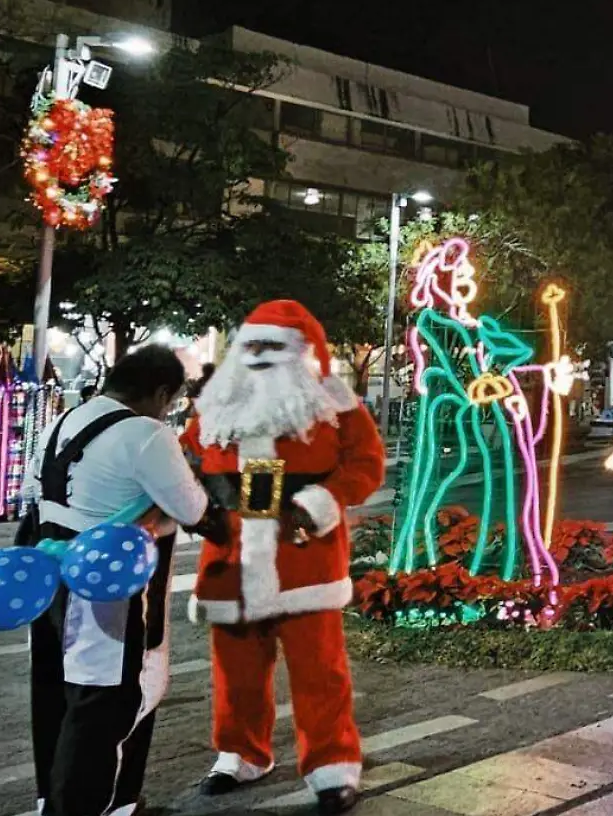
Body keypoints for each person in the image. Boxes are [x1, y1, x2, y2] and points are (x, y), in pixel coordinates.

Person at [183, 301, 384, 815]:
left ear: (304, 352)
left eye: (273, 346)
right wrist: (190, 503)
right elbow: (183, 459)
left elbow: (367, 466)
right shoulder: (215, 404)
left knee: (320, 670)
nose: (258, 356)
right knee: (235, 670)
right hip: (230, 558)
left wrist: (317, 503)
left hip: (304, 558)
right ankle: (241, 752)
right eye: (251, 345)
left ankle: (332, 764)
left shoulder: (336, 405)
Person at [21, 346, 224, 816]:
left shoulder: (60, 423)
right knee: (103, 703)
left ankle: (58, 798)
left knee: (56, 693)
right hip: (101, 587)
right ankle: (81, 807)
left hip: (46, 578)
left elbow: (35, 496)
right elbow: (193, 510)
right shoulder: (146, 434)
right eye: (170, 402)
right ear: (160, 393)